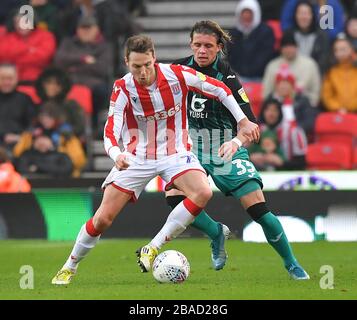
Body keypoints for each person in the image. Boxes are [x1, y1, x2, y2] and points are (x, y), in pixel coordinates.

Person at [51, 34, 259, 285]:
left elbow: (221, 90)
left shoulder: (177, 74)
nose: (142, 72)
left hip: (175, 152)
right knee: (103, 219)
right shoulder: (122, 87)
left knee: (202, 192)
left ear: (154, 59)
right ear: (127, 62)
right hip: (137, 157)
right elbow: (110, 130)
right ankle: (69, 266)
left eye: (147, 65)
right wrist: (117, 155)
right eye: (136, 66)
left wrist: (242, 120)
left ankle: (153, 246)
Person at [138, 21, 310, 280]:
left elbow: (251, 127)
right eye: (197, 45)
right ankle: (216, 232)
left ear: (219, 48)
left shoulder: (228, 79)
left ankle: (292, 263)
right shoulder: (177, 70)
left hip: (225, 147)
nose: (202, 51)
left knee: (258, 210)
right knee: (174, 199)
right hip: (191, 147)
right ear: (190, 45)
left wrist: (236, 143)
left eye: (208, 46)